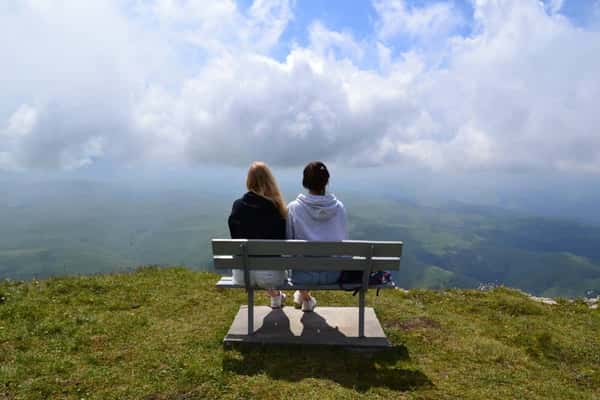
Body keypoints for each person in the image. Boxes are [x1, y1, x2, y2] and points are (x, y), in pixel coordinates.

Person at [287, 161, 347, 311]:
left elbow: (288, 244)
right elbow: (343, 239)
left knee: (297, 257)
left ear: (305, 182)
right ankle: (305, 299)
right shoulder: (339, 208)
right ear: (326, 181)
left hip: (302, 275)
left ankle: (304, 296)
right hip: (333, 274)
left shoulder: (294, 208)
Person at [228, 161, 287, 308]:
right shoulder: (275, 207)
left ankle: (276, 297)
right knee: (270, 263)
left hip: (242, 275)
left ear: (249, 181)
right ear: (269, 181)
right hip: (270, 277)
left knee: (261, 263)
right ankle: (276, 296)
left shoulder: (237, 205)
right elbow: (281, 243)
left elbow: (234, 237)